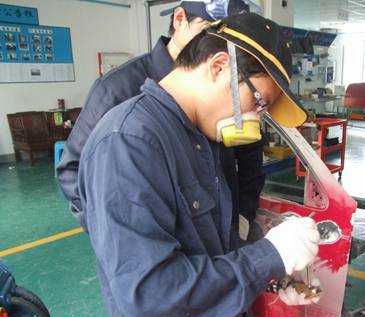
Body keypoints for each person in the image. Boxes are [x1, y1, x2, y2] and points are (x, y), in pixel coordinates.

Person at [78, 12, 322, 317]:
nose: (257, 119)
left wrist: (272, 273)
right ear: (220, 66)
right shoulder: (130, 143)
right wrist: (266, 257)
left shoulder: (203, 138)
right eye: (259, 102)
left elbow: (210, 248)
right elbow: (149, 290)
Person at [57, 0, 263, 242]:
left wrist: (243, 215)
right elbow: (73, 170)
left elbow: (250, 159)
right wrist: (119, 233)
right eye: (210, 31)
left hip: (222, 241)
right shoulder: (119, 89)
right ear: (179, 19)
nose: (221, 47)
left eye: (230, 39)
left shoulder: (229, 86)